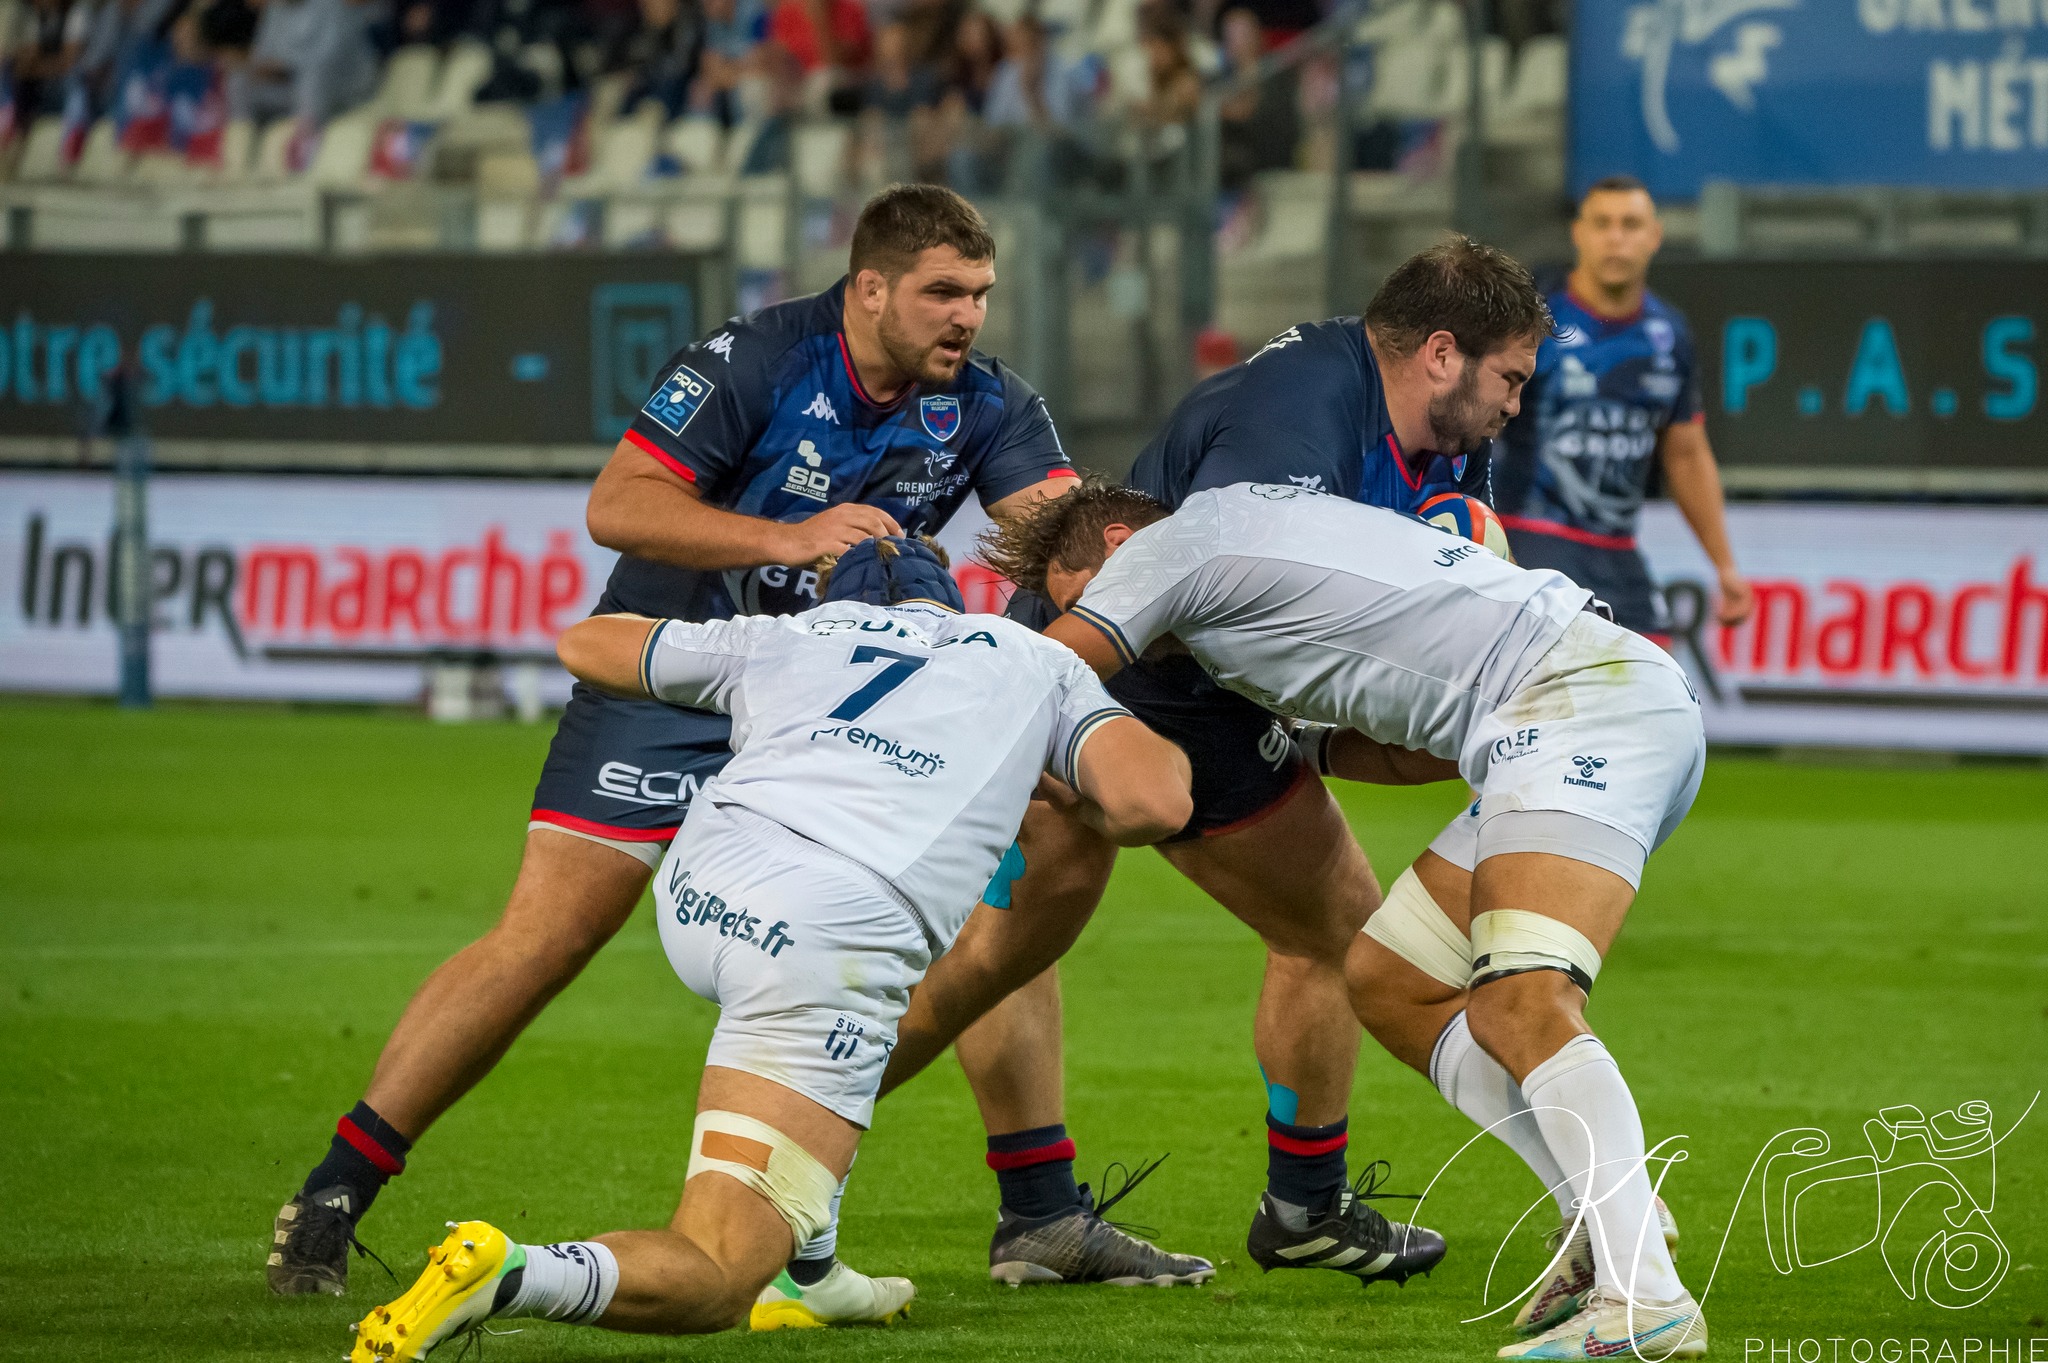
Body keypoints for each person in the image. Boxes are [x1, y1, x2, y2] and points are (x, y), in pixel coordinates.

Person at [268, 184, 1206, 1316]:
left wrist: (1041, 661)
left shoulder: (992, 403)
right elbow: (618, 504)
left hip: (846, 697)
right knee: (549, 934)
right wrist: (785, 539)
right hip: (696, 668)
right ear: (868, 290)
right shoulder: (757, 359)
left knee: (1002, 878)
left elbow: (1056, 540)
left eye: (980, 295)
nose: (967, 316)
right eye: (942, 293)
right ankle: (337, 1189)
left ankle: (1038, 1210)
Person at [873, 237, 1547, 1290]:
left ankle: (1006, 1204)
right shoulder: (1302, 405)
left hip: (1167, 669)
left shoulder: (1442, 438)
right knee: (1339, 931)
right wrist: (1324, 727)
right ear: (1439, 354)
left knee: (1003, 948)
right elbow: (1222, 584)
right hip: (1150, 666)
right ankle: (1306, 1205)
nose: (1515, 405)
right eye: (1508, 379)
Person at [343, 535, 1199, 1362]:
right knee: (717, 1271)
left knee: (812, 1053)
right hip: (826, 935)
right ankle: (514, 1270)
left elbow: (584, 641)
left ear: (838, 598)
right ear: (951, 597)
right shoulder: (1032, 657)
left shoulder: (785, 634)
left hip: (698, 890)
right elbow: (1154, 802)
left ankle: (816, 1273)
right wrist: (1065, 787)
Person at [992, 479, 1711, 1361]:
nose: (1126, 645)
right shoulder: (1247, 575)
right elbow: (1415, 752)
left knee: (1522, 1000)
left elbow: (1041, 677)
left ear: (1115, 543)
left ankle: (1648, 1297)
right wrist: (1310, 744)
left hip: (1584, 706)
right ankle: (1600, 1217)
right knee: (1390, 978)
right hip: (1548, 720)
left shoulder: (1172, 545)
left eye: (1085, 596)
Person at [1493, 175, 1753, 643]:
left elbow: (1686, 455)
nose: (1616, 238)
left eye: (1630, 224)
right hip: (1530, 539)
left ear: (1654, 236)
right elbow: (1477, 424)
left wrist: (1725, 567)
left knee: (1657, 678)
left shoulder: (1668, 333)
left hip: (1617, 549)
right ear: (1579, 233)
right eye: (1603, 224)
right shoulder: (1533, 317)